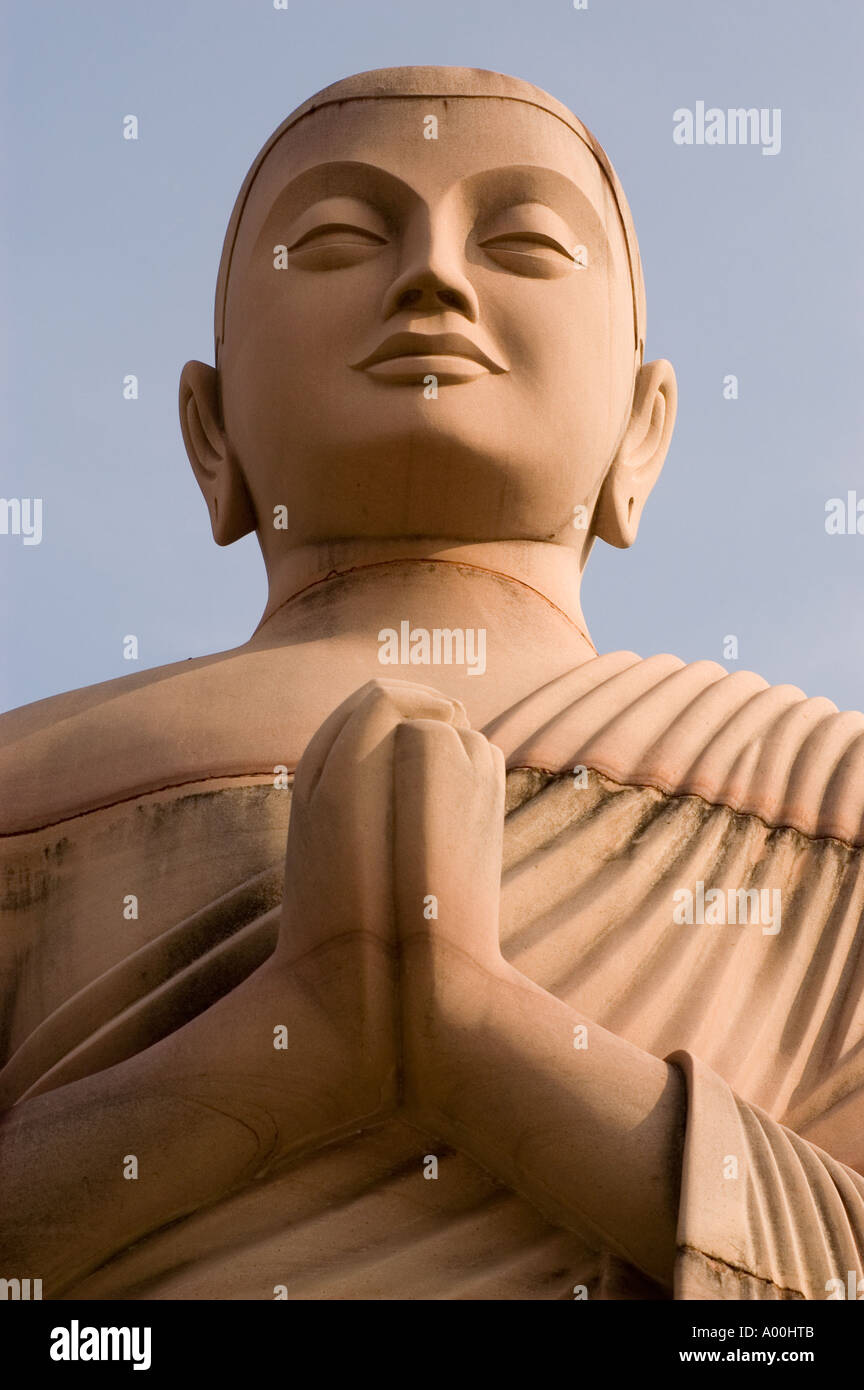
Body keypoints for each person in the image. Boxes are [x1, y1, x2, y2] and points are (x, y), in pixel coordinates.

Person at [2, 66, 863, 1301]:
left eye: (522, 241)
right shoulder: (26, 778)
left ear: (642, 431)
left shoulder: (820, 793)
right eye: (342, 238)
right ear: (211, 431)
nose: (435, 279)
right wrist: (296, 1037)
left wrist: (485, 1038)